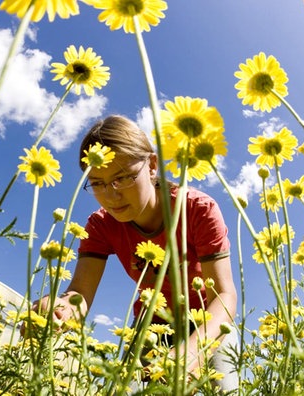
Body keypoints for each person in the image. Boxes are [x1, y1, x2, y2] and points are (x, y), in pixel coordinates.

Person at [35, 115, 238, 392]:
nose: (111, 195)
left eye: (122, 178)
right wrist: (61, 308)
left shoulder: (198, 209)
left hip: (207, 323)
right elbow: (80, 291)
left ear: (152, 166)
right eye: (97, 183)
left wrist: (192, 353)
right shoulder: (100, 225)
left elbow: (224, 296)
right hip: (149, 325)